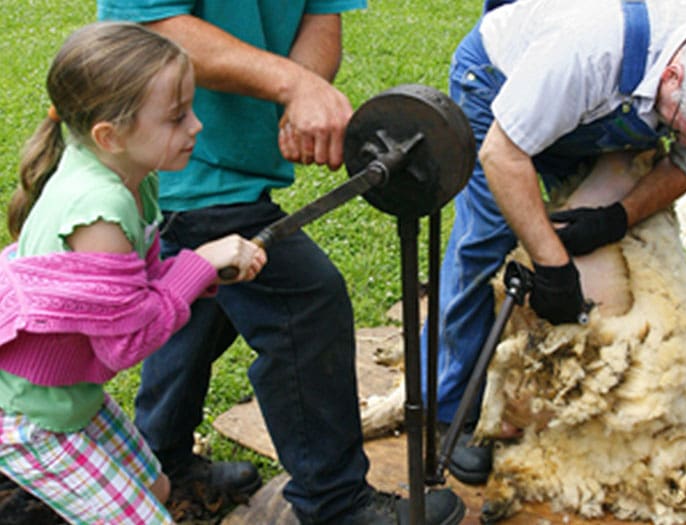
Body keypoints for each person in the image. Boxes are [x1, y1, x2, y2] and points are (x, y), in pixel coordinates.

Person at [95, 1, 467, 524]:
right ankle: (334, 505)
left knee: (199, 306)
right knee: (304, 304)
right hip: (173, 156)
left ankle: (163, 463)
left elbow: (322, 15)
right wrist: (291, 85)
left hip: (228, 162)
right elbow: (151, 25)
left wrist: (305, 90)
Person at [422, 0, 686, 486]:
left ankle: (586, 398)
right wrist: (550, 265)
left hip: (603, 107)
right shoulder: (586, 50)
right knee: (487, 240)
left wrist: (616, 217)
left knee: (617, 241)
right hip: (500, 83)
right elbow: (503, 155)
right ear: (672, 75)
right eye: (676, 125)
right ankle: (452, 405)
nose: (679, 137)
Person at [0, 21, 267, 524]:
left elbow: (134, 287)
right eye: (175, 117)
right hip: (33, 418)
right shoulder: (98, 208)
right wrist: (198, 263)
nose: (196, 126)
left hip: (71, 399)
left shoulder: (130, 178)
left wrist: (205, 276)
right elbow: (125, 341)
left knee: (159, 486)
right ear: (111, 134)